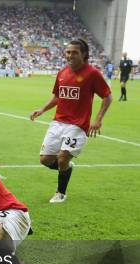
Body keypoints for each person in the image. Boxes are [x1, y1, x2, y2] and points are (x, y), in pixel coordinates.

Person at [30, 39, 112, 203]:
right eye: (68, 52)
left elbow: (107, 97)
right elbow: (57, 96)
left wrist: (98, 119)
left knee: (62, 157)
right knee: (45, 160)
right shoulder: (62, 72)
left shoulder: (92, 73)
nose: (70, 55)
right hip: (58, 122)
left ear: (84, 54)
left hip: (78, 125)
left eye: (74, 52)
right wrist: (42, 109)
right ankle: (66, 168)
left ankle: (61, 193)